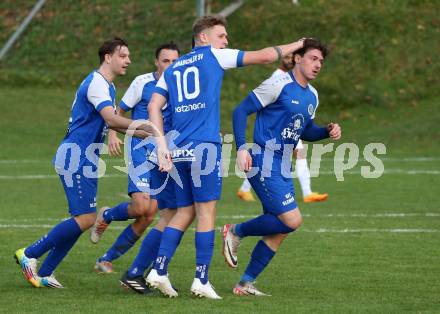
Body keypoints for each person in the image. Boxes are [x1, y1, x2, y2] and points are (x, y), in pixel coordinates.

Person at [145, 14, 306, 299]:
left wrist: (160, 143)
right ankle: (201, 280)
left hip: (178, 149)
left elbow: (154, 105)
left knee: (184, 212)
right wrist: (298, 44)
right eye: (222, 35)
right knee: (206, 212)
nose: (226, 41)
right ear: (203, 37)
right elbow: (266, 56)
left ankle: (158, 270)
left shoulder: (174, 67)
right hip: (204, 147)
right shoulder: (213, 56)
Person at [14, 37, 153, 288]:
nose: (128, 61)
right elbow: (111, 120)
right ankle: (30, 254)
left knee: (81, 218)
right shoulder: (97, 84)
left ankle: (46, 272)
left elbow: (111, 122)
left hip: (86, 158)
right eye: (123, 56)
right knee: (87, 218)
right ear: (107, 57)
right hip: (75, 155)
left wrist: (141, 132)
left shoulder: (107, 87)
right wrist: (142, 128)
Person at [223, 38, 341, 296]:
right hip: (263, 157)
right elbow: (240, 111)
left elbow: (305, 130)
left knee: (280, 227)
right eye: (313, 58)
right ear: (297, 58)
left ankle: (245, 283)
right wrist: (242, 147)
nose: (318, 64)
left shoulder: (312, 95)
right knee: (292, 219)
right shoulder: (278, 84)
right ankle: (235, 231)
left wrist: (325, 131)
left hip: (282, 162)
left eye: (321, 61)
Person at [91, 43, 180, 282]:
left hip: (165, 152)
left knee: (149, 215)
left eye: (174, 61)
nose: (170, 66)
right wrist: (112, 134)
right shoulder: (143, 82)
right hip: (140, 147)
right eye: (165, 61)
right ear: (156, 62)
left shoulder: (180, 85)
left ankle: (106, 259)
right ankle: (108, 215)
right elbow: (120, 109)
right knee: (142, 207)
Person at [237, 52, 328, 203]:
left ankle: (307, 193)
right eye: (286, 57)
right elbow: (264, 101)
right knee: (282, 157)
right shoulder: (279, 77)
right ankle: (307, 193)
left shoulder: (305, 88)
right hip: (278, 128)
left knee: (293, 156)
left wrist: (326, 131)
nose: (288, 60)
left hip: (291, 126)